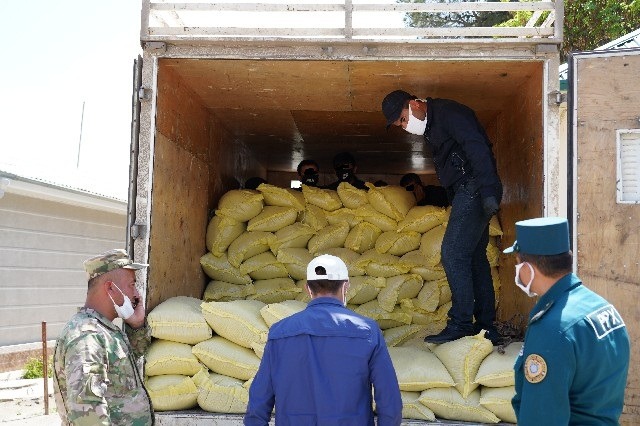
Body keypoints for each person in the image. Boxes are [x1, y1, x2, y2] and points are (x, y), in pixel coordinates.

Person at [382, 90, 503, 344]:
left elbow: (477, 147)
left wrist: (489, 190)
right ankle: (485, 327)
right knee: (474, 258)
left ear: (414, 104)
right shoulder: (432, 124)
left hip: (475, 187)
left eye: (403, 119)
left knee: (452, 253)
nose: (405, 127)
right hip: (467, 189)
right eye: (400, 125)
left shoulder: (449, 112)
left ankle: (460, 323)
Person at [244, 254, 402, 426]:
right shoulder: (367, 331)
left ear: (308, 289)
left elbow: (257, 406)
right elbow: (389, 402)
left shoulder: (280, 333)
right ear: (346, 286)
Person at [502, 217, 630, 425]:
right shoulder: (604, 309)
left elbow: (542, 417)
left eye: (517, 263)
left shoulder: (552, 329)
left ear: (527, 268)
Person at [53, 249, 153, 425]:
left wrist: (136, 325)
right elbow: (87, 414)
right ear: (111, 288)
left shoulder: (104, 330)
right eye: (132, 285)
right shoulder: (86, 337)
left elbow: (124, 367)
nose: (136, 294)